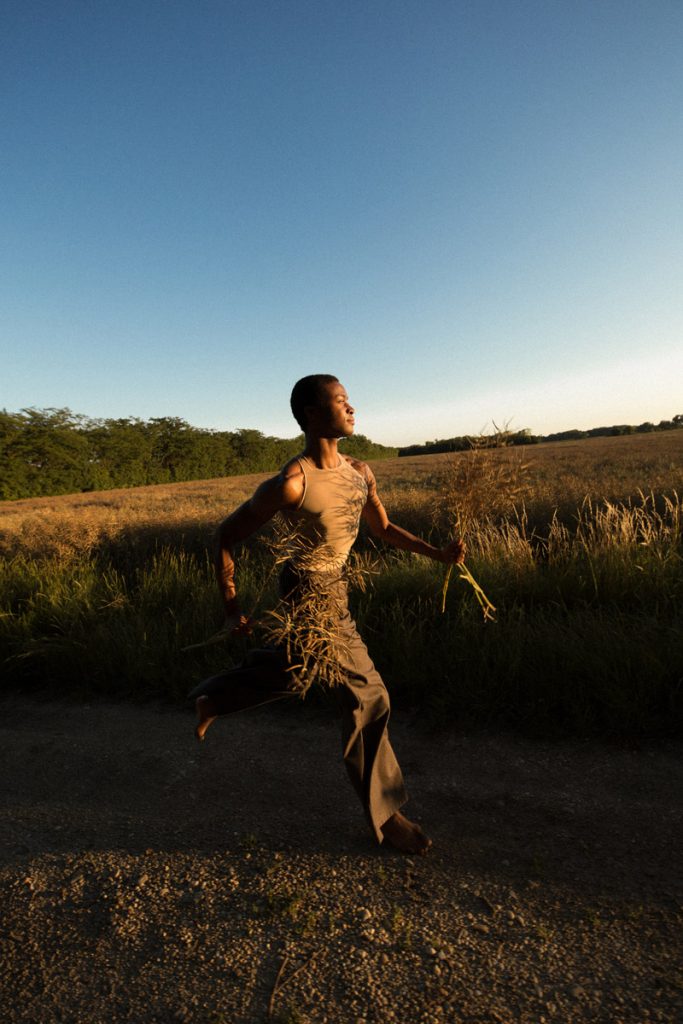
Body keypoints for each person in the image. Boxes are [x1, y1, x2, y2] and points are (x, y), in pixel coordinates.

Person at [189, 375, 465, 854]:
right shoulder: (291, 483)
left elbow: (384, 529)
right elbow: (226, 536)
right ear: (312, 415)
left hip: (336, 585)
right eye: (341, 401)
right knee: (368, 695)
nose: (352, 407)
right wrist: (231, 608)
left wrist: (438, 554)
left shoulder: (360, 471)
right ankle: (387, 817)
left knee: (298, 671)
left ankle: (214, 698)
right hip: (308, 591)